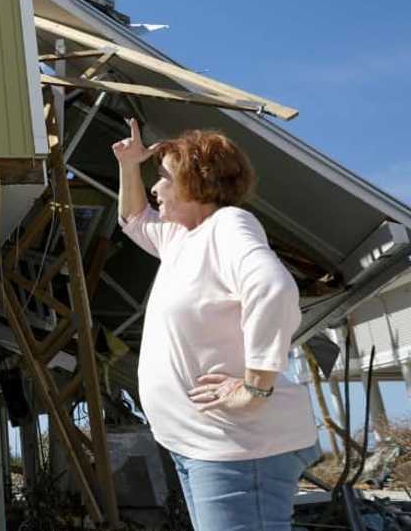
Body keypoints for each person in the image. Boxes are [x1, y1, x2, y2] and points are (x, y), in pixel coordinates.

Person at [113, 118, 318, 530]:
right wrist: (129, 166)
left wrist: (254, 387)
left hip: (240, 453)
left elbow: (273, 288)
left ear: (196, 181)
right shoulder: (181, 238)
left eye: (165, 177)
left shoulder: (228, 226)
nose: (156, 189)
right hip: (199, 447)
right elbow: (133, 218)